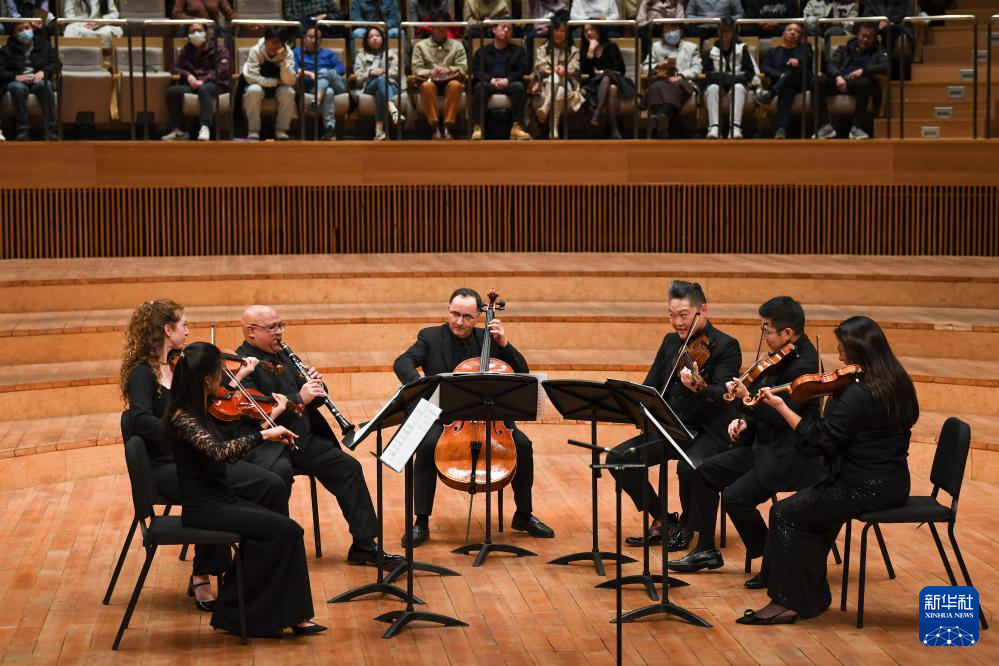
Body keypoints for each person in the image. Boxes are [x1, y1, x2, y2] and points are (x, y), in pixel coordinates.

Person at [738, 316, 918, 624]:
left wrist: (781, 407)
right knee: (811, 515)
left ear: (859, 350)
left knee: (784, 513)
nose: (840, 355)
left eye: (843, 349)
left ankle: (788, 602)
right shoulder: (897, 382)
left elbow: (818, 440)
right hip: (892, 481)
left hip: (863, 486)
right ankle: (810, 596)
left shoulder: (859, 394)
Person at [120, 300, 290, 612]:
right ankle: (206, 574)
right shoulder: (143, 374)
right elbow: (139, 419)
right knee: (219, 487)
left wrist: (239, 378)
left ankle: (255, 574)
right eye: (183, 325)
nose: (187, 331)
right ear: (167, 330)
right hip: (167, 466)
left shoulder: (178, 367)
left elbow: (208, 407)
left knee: (271, 483)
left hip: (197, 458)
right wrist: (181, 430)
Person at [165, 342, 327, 637]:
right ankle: (257, 615)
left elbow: (228, 444)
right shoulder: (183, 418)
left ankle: (251, 614)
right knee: (288, 531)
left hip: (222, 499)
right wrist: (265, 435)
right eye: (220, 372)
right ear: (207, 379)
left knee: (280, 529)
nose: (224, 377)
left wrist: (267, 427)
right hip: (205, 508)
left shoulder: (201, 409)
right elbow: (220, 452)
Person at [232, 305, 403, 567]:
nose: (279, 332)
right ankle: (274, 549)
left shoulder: (284, 354)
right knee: (277, 478)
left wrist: (318, 387)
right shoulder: (241, 364)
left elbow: (313, 399)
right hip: (270, 445)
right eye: (272, 327)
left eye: (280, 325)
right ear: (251, 331)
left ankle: (364, 544)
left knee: (348, 467)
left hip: (304, 440)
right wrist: (299, 397)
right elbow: (256, 409)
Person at [667, 296, 826, 576]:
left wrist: (745, 398)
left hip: (789, 455)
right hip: (763, 445)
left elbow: (782, 418)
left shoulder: (804, 367)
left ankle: (774, 560)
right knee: (703, 472)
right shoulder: (782, 356)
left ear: (787, 333)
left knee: (735, 499)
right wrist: (744, 421)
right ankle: (706, 549)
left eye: (767, 331)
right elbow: (763, 403)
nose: (764, 337)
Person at [393, 288, 555, 548]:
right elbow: (402, 362)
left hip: (490, 416)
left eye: (467, 317)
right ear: (448, 310)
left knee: (523, 446)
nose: (459, 321)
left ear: (479, 316)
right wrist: (422, 385)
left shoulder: (489, 338)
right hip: (444, 417)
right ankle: (421, 521)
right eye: (455, 314)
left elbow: (522, 372)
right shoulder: (430, 337)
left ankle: (523, 515)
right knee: (426, 446)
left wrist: (504, 344)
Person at [605, 281, 742, 551]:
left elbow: (722, 393)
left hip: (707, 431)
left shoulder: (726, 346)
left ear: (703, 310)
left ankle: (689, 526)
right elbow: (651, 384)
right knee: (619, 459)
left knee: (688, 467)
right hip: (673, 428)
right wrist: (633, 399)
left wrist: (698, 387)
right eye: (672, 315)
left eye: (684, 315)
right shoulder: (670, 342)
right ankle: (663, 518)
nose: (677, 322)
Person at [813, 22, 888, 140]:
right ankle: (825, 126)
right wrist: (838, 76)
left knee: (865, 83)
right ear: (858, 34)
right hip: (840, 80)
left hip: (858, 83)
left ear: (874, 38)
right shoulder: (844, 48)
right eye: (863, 36)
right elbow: (831, 65)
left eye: (869, 37)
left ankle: (857, 128)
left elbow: (886, 66)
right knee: (816, 81)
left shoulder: (879, 50)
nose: (865, 39)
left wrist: (863, 71)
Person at [163, 23, 230, 142]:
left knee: (205, 89)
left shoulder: (219, 49)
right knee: (172, 92)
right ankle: (181, 131)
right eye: (192, 31)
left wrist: (204, 80)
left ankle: (205, 127)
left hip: (216, 85)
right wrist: (188, 76)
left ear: (206, 32)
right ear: (188, 35)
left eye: (199, 30)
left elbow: (223, 70)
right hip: (195, 85)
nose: (196, 34)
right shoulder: (186, 50)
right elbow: (174, 67)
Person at [469, 22, 531, 141]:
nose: (506, 30)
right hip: (489, 83)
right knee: (480, 87)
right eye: (503, 27)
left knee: (519, 87)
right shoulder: (482, 51)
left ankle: (516, 127)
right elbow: (475, 70)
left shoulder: (518, 51)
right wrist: (490, 79)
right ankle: (478, 127)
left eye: (509, 29)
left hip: (509, 83)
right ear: (494, 30)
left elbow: (523, 70)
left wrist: (508, 80)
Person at [0, 20, 59, 141]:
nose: (25, 32)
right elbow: (1, 71)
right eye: (20, 30)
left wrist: (43, 72)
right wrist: (15, 76)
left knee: (46, 85)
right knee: (18, 88)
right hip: (16, 81)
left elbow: (56, 64)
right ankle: (23, 130)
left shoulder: (45, 45)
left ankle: (50, 130)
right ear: (14, 33)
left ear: (32, 29)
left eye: (27, 28)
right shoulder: (6, 49)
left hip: (37, 80)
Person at [411, 14, 468, 140]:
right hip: (429, 80)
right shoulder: (420, 46)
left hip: (451, 79)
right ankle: (435, 127)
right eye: (438, 25)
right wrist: (431, 71)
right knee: (427, 86)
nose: (441, 28)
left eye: (444, 25)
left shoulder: (457, 45)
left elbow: (463, 67)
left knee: (455, 85)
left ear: (448, 28)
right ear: (432, 27)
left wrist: (449, 69)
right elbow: (416, 69)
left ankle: (448, 127)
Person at [703, 15, 760, 139]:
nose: (725, 33)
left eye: (728, 31)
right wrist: (721, 77)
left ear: (734, 32)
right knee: (712, 88)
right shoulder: (712, 50)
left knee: (738, 88)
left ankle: (735, 127)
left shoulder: (742, 48)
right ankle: (714, 127)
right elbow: (706, 73)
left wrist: (733, 78)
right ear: (718, 32)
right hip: (718, 83)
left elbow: (750, 72)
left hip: (737, 82)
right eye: (723, 30)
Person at [641, 23, 701, 139]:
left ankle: (657, 120)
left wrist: (681, 75)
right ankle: (664, 122)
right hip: (661, 80)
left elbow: (697, 68)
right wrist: (658, 67)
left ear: (681, 31)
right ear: (662, 33)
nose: (670, 32)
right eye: (667, 29)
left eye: (673, 28)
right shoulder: (656, 47)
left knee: (673, 87)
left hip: (682, 82)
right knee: (656, 87)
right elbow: (645, 66)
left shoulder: (692, 47)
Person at [755, 20, 812, 139]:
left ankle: (771, 93)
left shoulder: (805, 47)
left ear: (801, 37)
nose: (793, 32)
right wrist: (781, 75)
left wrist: (798, 60)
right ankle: (781, 128)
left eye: (797, 31)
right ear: (783, 34)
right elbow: (764, 67)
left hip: (801, 82)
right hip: (784, 85)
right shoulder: (774, 51)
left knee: (795, 69)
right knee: (787, 89)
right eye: (789, 30)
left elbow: (806, 57)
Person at [530, 11, 582, 139]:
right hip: (547, 86)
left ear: (567, 33)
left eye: (562, 31)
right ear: (551, 31)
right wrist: (554, 71)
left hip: (568, 85)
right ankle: (554, 128)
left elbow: (575, 69)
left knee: (558, 80)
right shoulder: (542, 49)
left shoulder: (574, 51)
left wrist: (565, 71)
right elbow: (540, 68)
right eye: (556, 30)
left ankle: (546, 107)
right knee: (558, 88)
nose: (558, 34)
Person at [580, 23, 635, 139]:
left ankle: (597, 113)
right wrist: (590, 52)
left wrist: (602, 72)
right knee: (612, 89)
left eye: (592, 30)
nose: (589, 33)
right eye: (586, 31)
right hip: (594, 88)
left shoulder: (611, 46)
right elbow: (584, 71)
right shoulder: (585, 49)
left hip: (615, 81)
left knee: (608, 81)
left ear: (599, 31)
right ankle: (614, 128)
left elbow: (621, 70)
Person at [294, 24, 347, 141]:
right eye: (311, 37)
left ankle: (316, 100)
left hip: (337, 85)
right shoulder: (297, 53)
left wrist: (324, 75)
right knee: (328, 92)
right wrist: (309, 74)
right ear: (304, 38)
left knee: (325, 72)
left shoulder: (328, 53)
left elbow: (341, 68)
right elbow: (294, 69)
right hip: (312, 87)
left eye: (317, 38)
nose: (314, 40)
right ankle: (330, 129)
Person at [242, 27, 297, 141]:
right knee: (253, 90)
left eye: (279, 43)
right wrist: (275, 82)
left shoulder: (288, 53)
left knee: (288, 92)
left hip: (280, 87)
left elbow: (290, 81)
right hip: (260, 85)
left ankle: (281, 130)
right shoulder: (255, 51)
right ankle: (253, 130)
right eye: (273, 42)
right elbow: (251, 78)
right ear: (265, 40)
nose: (275, 46)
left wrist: (282, 61)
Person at [353, 25, 402, 141]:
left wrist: (383, 72)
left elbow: (397, 73)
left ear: (382, 38)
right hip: (369, 86)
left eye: (377, 36)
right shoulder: (361, 55)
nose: (374, 38)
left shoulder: (391, 54)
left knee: (381, 89)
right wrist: (370, 73)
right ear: (366, 40)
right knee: (380, 81)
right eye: (371, 37)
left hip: (391, 85)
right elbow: (358, 78)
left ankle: (379, 130)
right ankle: (392, 108)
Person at [171, 0, 237, 25]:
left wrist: (241, 21)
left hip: (212, 33)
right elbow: (176, 13)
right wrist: (194, 20)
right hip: (193, 32)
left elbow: (229, 13)